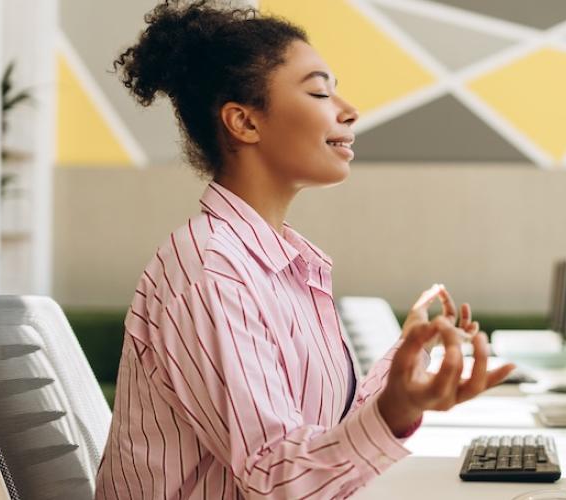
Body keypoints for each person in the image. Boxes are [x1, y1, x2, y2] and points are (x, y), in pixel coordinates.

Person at [94, 1, 515, 498]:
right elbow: (277, 482)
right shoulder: (212, 274)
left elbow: (319, 442)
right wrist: (392, 413)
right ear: (245, 124)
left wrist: (406, 365)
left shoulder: (281, 265)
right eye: (319, 91)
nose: (349, 109)